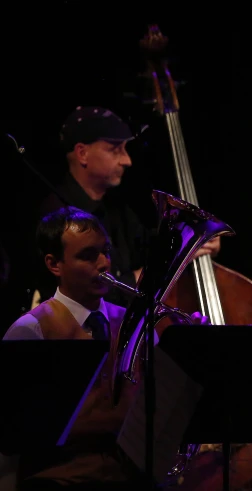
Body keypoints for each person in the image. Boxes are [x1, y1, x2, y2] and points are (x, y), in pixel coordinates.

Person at [2, 206, 209, 490]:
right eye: (88, 256)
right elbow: (16, 431)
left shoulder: (133, 322)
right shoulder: (31, 331)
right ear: (55, 265)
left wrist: (187, 354)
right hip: (58, 481)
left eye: (106, 251)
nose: (104, 264)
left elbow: (166, 412)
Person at [32, 105, 220, 308]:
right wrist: (147, 280)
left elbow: (148, 245)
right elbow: (82, 295)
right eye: (115, 150)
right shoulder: (57, 216)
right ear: (82, 153)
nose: (127, 160)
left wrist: (190, 241)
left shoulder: (116, 207)